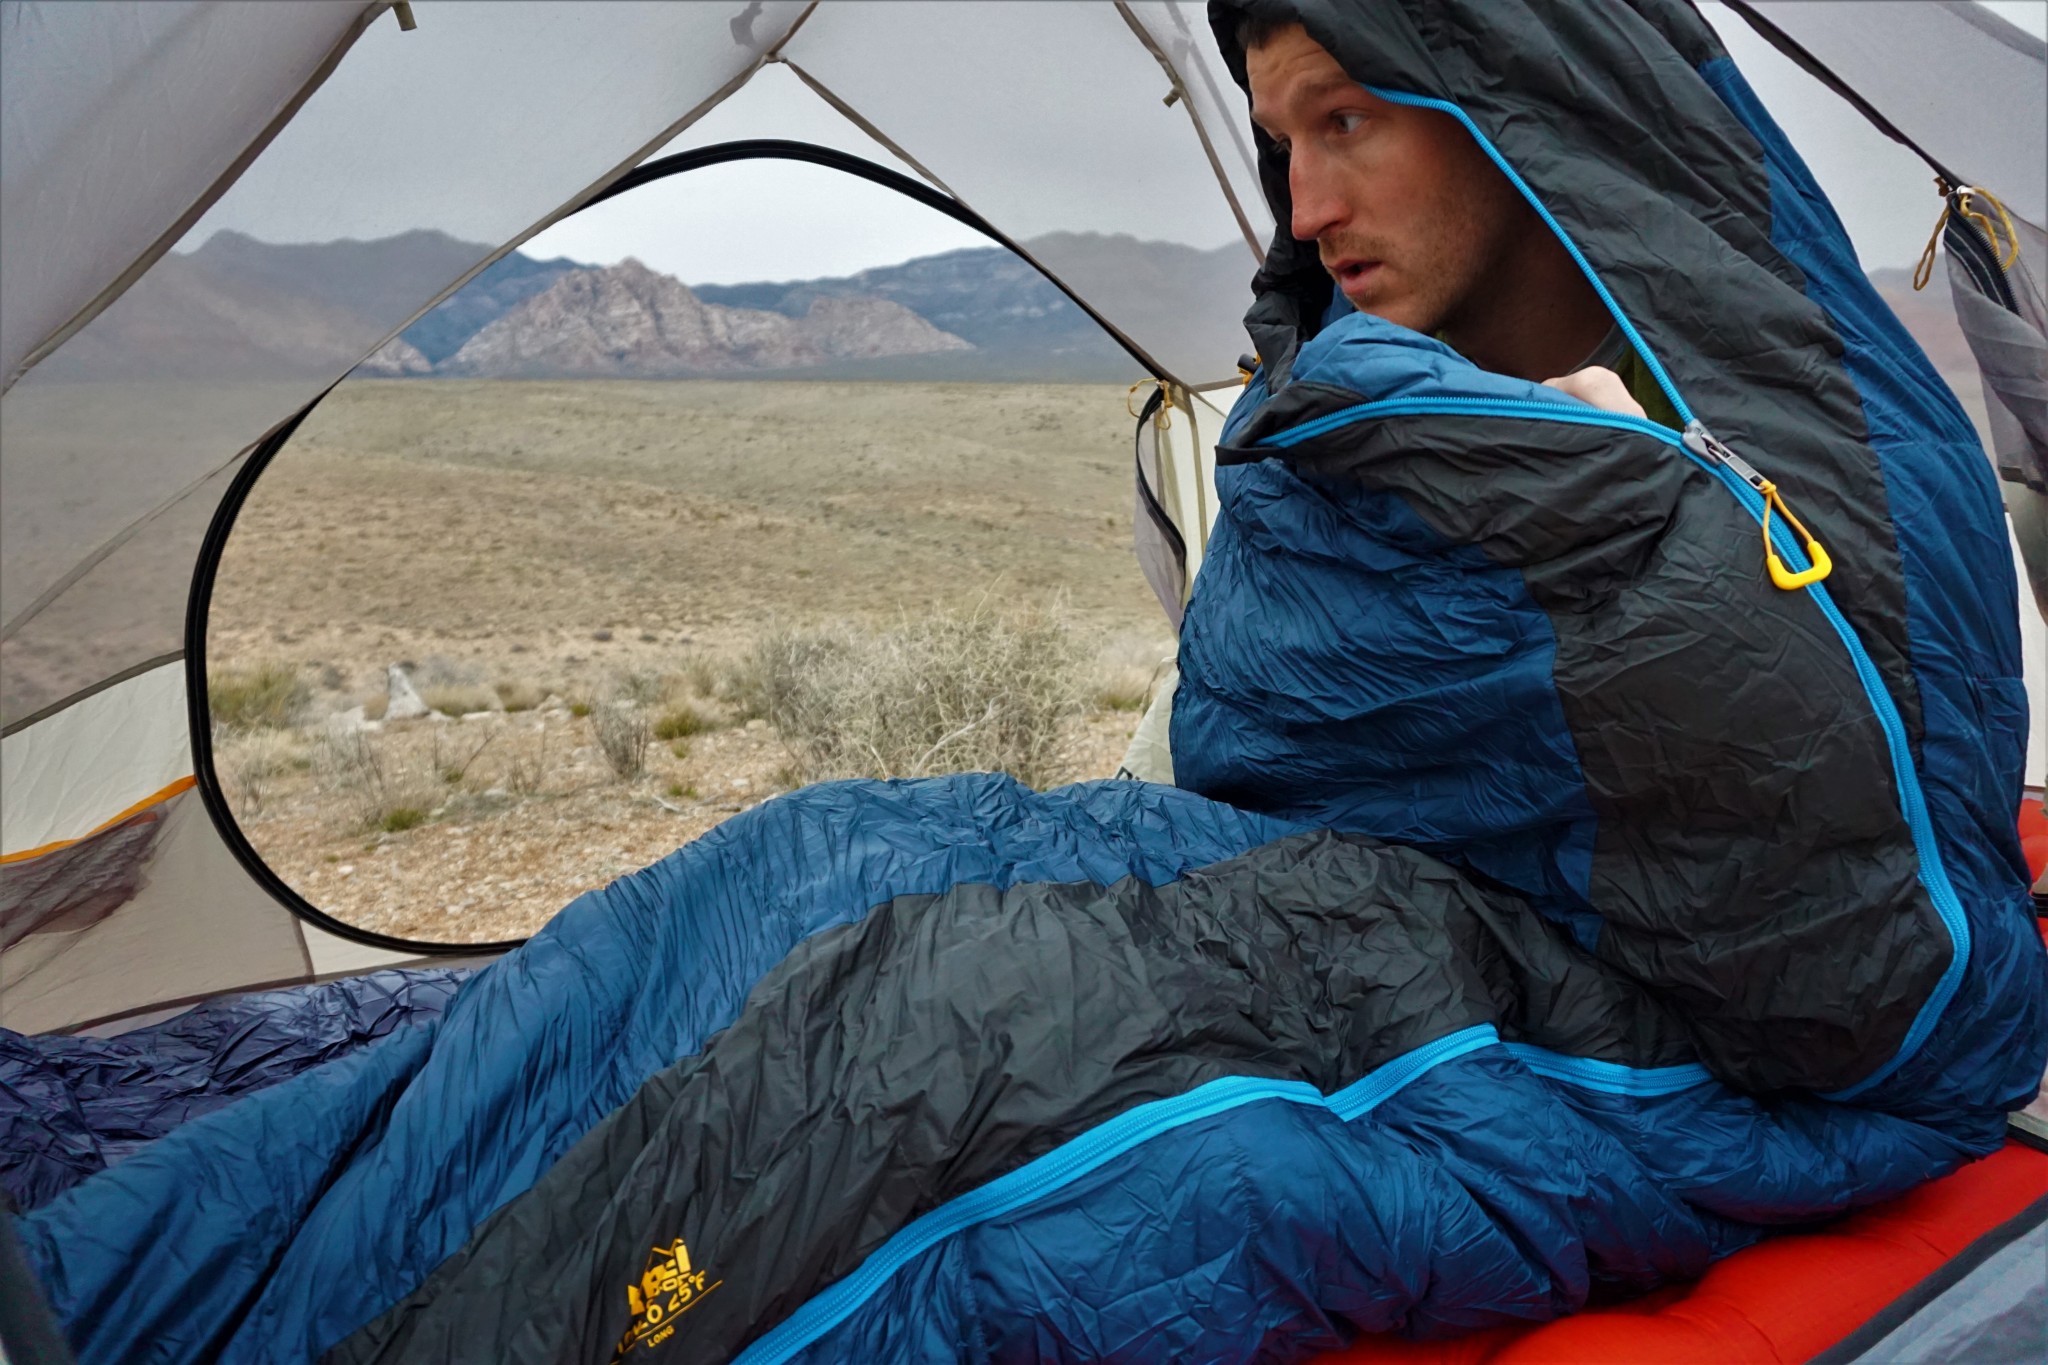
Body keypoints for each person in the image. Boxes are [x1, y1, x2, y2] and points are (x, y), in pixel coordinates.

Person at [1241, 16, 1670, 424]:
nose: (1305, 220)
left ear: (1504, 110)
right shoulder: (1291, 433)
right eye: (1283, 146)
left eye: (1346, 122)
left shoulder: (1707, 371)